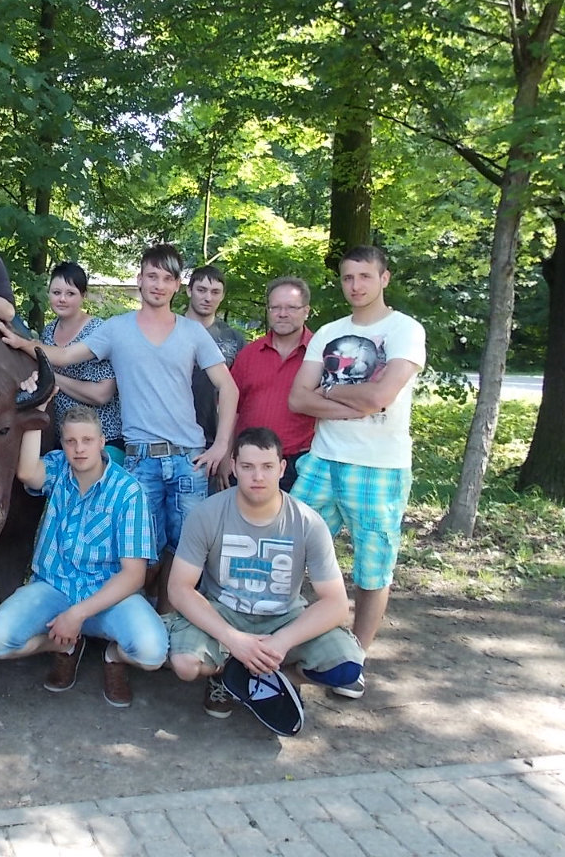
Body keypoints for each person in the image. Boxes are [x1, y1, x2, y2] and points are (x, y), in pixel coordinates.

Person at [0, 244, 238, 614]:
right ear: (139, 279)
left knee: (186, 551)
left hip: (188, 460)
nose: (158, 285)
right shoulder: (117, 329)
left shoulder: (192, 333)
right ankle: (131, 622)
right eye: (151, 276)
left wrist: (220, 446)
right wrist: (23, 343)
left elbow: (228, 388)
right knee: (139, 552)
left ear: (177, 286)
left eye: (167, 278)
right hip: (140, 458)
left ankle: (168, 621)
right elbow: (65, 355)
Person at [288, 245, 425, 700]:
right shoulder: (329, 332)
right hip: (323, 459)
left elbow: (380, 398)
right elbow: (298, 398)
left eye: (365, 276)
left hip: (379, 467)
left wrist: (330, 390)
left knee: (372, 568)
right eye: (348, 277)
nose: (355, 285)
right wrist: (354, 398)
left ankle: (353, 660)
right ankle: (291, 639)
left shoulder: (404, 330)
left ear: (384, 278)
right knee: (288, 550)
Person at [164, 427, 365, 735]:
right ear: (233, 467)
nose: (257, 476)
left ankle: (273, 676)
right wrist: (234, 640)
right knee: (185, 664)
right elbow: (179, 589)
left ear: (282, 468)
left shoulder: (308, 522)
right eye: (247, 466)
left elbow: (336, 604)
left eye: (267, 466)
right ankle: (226, 675)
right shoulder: (207, 514)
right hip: (224, 612)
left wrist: (282, 642)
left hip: (284, 616)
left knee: (346, 667)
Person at [0, 405, 167, 708]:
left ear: (102, 442)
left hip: (107, 594)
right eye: (71, 441)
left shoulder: (128, 491)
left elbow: (134, 576)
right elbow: (26, 471)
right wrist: (37, 411)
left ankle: (113, 655)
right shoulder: (58, 469)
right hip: (54, 586)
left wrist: (77, 614)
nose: (79, 449)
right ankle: (64, 645)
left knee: (152, 652)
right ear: (63, 444)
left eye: (87, 440)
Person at [228, 277, 316, 491]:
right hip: (249, 463)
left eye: (291, 307)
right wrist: (226, 455)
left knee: (295, 515)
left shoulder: (320, 354)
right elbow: (232, 411)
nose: (282, 313)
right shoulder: (249, 354)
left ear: (306, 311)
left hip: (301, 464)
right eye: (275, 307)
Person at [40, 262, 125, 462]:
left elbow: (101, 394)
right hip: (64, 439)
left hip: (103, 439)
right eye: (56, 292)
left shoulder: (98, 331)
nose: (62, 299)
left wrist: (53, 377)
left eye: (70, 293)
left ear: (83, 296)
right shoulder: (48, 332)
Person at [185, 265, 245, 490]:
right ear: (189, 290)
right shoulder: (169, 329)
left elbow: (240, 398)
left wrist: (227, 449)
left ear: (222, 296)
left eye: (215, 292)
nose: (207, 298)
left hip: (215, 440)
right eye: (201, 290)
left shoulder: (233, 339)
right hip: (173, 439)